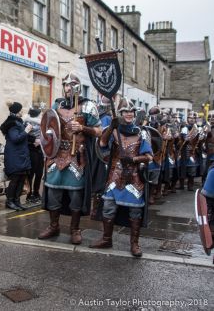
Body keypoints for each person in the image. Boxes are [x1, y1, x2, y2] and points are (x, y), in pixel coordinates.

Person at [38, 73, 102, 245]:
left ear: (78, 87)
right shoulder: (57, 104)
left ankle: (74, 229)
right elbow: (49, 126)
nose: (68, 88)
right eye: (65, 85)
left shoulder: (88, 106)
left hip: (76, 156)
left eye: (71, 84)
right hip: (56, 155)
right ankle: (54, 226)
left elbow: (99, 131)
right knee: (53, 193)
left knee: (75, 196)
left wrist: (82, 127)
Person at [90, 98, 153, 257]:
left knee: (135, 211)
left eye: (132, 111)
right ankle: (106, 239)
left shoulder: (142, 133)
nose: (129, 114)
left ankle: (134, 244)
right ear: (120, 113)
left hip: (133, 177)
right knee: (108, 208)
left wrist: (133, 159)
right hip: (114, 175)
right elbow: (102, 144)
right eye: (125, 111)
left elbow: (149, 157)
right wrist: (111, 127)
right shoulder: (113, 131)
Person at [0, 101, 32, 210]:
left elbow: (22, 137)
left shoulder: (18, 122)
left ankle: (17, 201)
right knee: (15, 179)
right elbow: (15, 138)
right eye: (21, 109)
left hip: (21, 155)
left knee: (21, 178)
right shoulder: (12, 123)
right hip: (15, 156)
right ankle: (10, 201)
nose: (22, 111)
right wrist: (26, 131)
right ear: (17, 111)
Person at [23, 107, 44, 203]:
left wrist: (41, 141)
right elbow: (24, 135)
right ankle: (29, 193)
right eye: (40, 114)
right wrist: (34, 140)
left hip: (39, 149)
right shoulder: (27, 123)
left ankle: (36, 192)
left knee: (39, 173)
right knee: (31, 173)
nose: (41, 115)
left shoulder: (42, 123)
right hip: (31, 149)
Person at [177, 111, 201, 191]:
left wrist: (201, 137)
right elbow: (180, 139)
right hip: (183, 151)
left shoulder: (198, 129)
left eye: (193, 118)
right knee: (182, 168)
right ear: (187, 119)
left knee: (192, 169)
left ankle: (190, 185)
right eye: (190, 118)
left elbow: (200, 140)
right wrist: (184, 137)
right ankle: (181, 185)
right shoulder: (184, 128)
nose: (192, 119)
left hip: (192, 151)